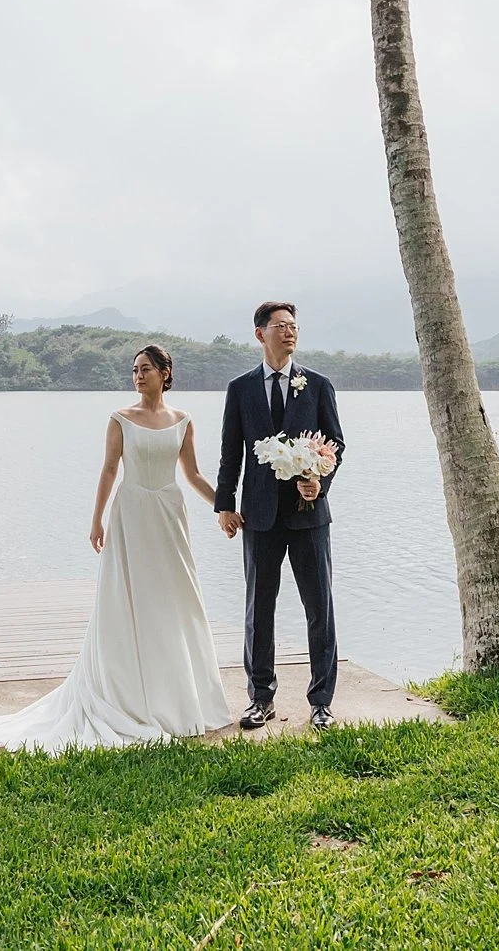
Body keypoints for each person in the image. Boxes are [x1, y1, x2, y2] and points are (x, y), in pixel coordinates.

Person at [0, 345, 230, 752]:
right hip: (131, 513)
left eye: (146, 369)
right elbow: (109, 470)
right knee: (128, 597)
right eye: (134, 370)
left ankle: (176, 696)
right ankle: (126, 693)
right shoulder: (120, 419)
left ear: (165, 373)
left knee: (176, 597)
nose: (138, 375)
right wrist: (96, 520)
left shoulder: (183, 420)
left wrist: (224, 507)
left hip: (169, 515)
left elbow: (193, 474)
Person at [215, 301, 346, 731]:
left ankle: (321, 702)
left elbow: (336, 445)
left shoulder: (318, 385)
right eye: (281, 326)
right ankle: (260, 697)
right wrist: (225, 505)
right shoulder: (240, 388)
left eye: (293, 326)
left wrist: (319, 481)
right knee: (259, 609)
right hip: (259, 516)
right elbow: (231, 452)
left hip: (310, 516)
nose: (289, 332)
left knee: (319, 608)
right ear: (260, 334)